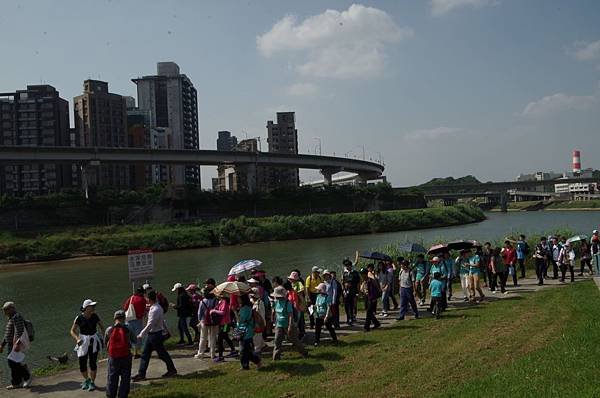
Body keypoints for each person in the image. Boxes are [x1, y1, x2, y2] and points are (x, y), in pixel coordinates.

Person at [132, 291, 177, 382]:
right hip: (154, 334)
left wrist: (141, 334)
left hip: (155, 335)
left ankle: (172, 369)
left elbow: (150, 324)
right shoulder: (157, 307)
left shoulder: (155, 310)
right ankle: (141, 374)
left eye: (147, 298)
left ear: (149, 299)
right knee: (145, 354)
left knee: (162, 354)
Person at [70, 299, 105, 391]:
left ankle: (92, 382)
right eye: (91, 306)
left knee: (93, 362)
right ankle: (87, 380)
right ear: (86, 308)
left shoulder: (95, 316)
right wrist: (77, 339)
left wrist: (103, 338)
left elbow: (102, 327)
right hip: (83, 341)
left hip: (93, 340)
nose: (93, 308)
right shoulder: (79, 318)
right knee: (82, 363)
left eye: (94, 306)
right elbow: (72, 331)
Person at [105, 310, 136, 398]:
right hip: (126, 356)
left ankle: (111, 395)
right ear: (124, 318)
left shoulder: (109, 329)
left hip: (113, 357)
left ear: (114, 318)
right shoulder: (128, 329)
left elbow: (105, 342)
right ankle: (123, 395)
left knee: (112, 378)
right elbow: (135, 340)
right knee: (125, 378)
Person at [1, 302, 31, 390]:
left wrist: (17, 344)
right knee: (13, 363)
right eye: (4, 310)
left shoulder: (16, 317)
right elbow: (8, 334)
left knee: (12, 362)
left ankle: (27, 377)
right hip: (11, 343)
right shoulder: (11, 318)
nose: (4, 312)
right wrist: (2, 345)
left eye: (6, 310)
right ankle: (17, 382)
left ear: (12, 308)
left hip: (15, 343)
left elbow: (20, 331)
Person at [272, 286, 308, 359]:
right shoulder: (276, 302)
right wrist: (273, 321)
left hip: (287, 324)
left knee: (294, 340)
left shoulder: (287, 303)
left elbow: (290, 315)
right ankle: (276, 357)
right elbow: (275, 312)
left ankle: (304, 352)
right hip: (279, 325)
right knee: (277, 340)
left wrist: (290, 326)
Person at [237, 294, 262, 370]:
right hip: (242, 330)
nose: (238, 299)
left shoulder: (246, 309)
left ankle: (256, 361)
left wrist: (235, 312)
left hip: (246, 331)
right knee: (243, 349)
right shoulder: (244, 308)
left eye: (239, 298)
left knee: (244, 350)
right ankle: (245, 365)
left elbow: (241, 320)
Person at [195, 288, 218, 360]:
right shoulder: (216, 301)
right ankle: (212, 354)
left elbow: (199, 313)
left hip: (204, 321)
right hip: (214, 321)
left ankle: (200, 353)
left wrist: (199, 320)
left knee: (203, 338)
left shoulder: (203, 301)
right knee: (213, 337)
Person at [122, 287, 146, 359]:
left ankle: (130, 352)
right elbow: (143, 310)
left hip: (129, 319)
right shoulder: (142, 300)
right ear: (141, 293)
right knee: (138, 336)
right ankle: (137, 352)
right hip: (138, 320)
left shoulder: (131, 298)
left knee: (129, 336)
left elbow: (125, 307)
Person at [212, 295, 237, 362]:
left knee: (220, 339)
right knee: (225, 337)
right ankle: (233, 350)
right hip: (223, 323)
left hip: (225, 324)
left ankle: (220, 356)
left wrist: (214, 311)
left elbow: (222, 312)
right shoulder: (221, 302)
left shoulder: (224, 302)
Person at [287, 271, 306, 338]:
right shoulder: (290, 284)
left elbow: (302, 289)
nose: (291, 280)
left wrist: (296, 292)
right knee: (294, 319)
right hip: (291, 303)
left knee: (299, 319)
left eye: (292, 279)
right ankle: (296, 334)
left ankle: (301, 333)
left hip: (298, 303)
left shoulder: (299, 283)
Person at [250, 288, 266, 353]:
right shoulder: (252, 301)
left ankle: (257, 349)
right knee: (258, 336)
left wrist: (259, 323)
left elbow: (261, 315)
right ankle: (263, 345)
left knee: (257, 337)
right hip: (255, 322)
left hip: (259, 322)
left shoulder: (260, 303)